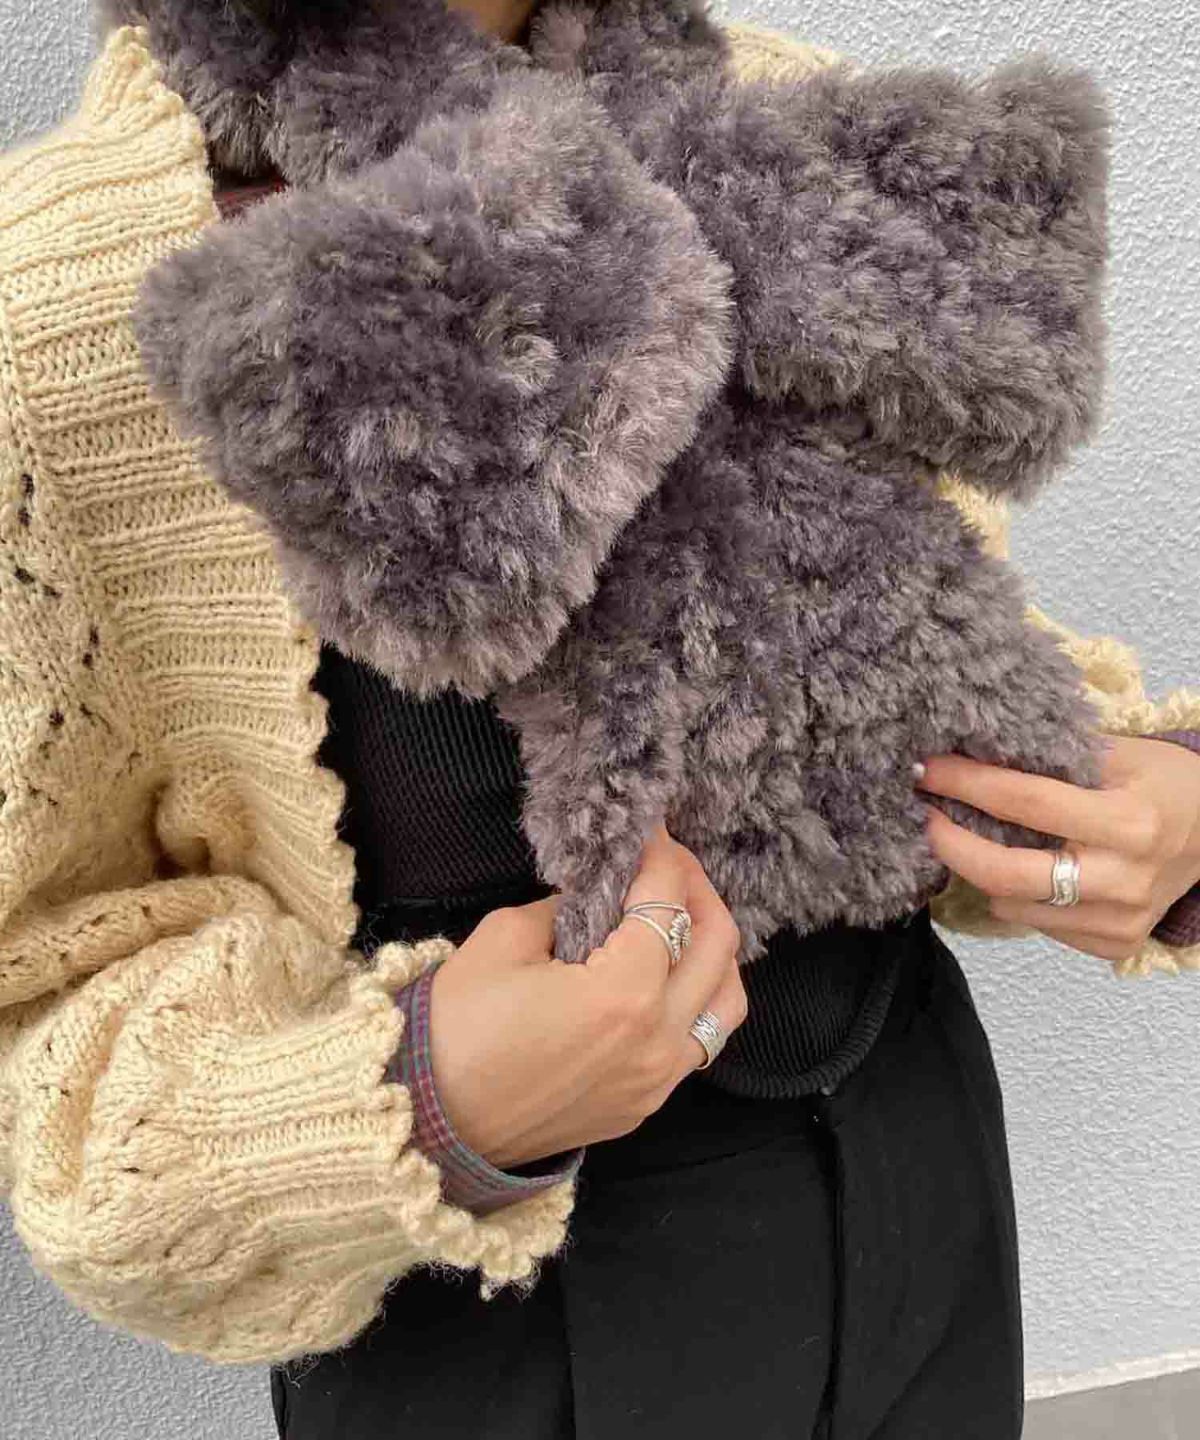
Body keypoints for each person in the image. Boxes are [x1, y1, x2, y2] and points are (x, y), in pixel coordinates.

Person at [0, 2, 1197, 1437]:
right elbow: (46, 989)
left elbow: (943, 642)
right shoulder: (54, 305)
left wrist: (1154, 800)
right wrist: (414, 1096)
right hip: (496, 1312)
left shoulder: (777, 108)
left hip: (917, 1170)